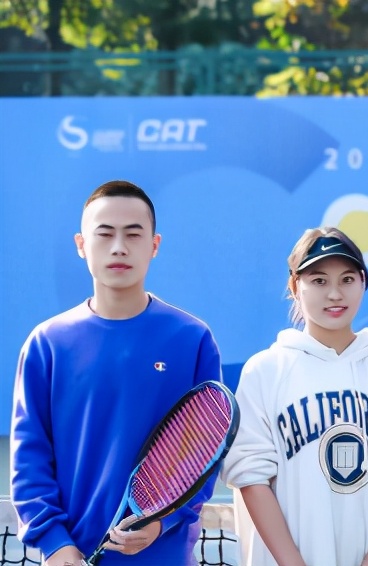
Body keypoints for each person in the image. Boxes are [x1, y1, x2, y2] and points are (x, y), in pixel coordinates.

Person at [10, 180, 223, 566]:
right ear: (81, 244)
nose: (119, 247)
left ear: (154, 245)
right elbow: (30, 459)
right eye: (105, 234)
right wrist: (56, 543)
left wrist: (161, 522)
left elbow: (204, 456)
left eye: (133, 234)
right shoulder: (47, 343)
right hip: (72, 555)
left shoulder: (192, 338)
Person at [220, 227, 368, 566]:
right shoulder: (266, 370)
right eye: (319, 281)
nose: (334, 294)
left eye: (347, 279)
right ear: (294, 286)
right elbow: (250, 475)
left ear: (363, 283)